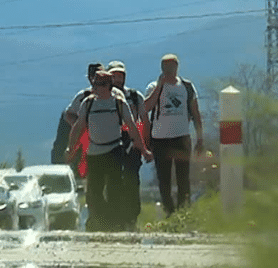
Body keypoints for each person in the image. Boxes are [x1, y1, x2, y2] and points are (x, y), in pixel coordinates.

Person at [65, 71, 153, 232]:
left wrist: (144, 150)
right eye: (94, 84)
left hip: (114, 151)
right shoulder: (88, 103)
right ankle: (100, 220)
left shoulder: (119, 104)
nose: (95, 88)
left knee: (115, 189)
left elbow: (132, 128)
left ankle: (114, 223)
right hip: (94, 153)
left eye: (99, 85)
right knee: (95, 191)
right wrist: (71, 149)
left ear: (108, 86)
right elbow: (77, 128)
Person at [144, 54, 203, 216]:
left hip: (182, 137)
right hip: (160, 139)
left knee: (183, 177)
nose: (169, 71)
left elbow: (196, 113)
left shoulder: (187, 87)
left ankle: (184, 211)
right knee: (164, 179)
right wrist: (159, 87)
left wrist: (200, 138)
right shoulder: (153, 86)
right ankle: (169, 211)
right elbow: (146, 107)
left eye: (171, 67)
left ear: (177, 67)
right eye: (166, 68)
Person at [106, 60, 151, 231]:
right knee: (113, 181)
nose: (118, 79)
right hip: (110, 142)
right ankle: (114, 218)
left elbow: (144, 120)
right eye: (114, 75)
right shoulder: (102, 97)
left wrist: (144, 145)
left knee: (132, 180)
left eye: (120, 75)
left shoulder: (134, 96)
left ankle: (131, 217)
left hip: (132, 142)